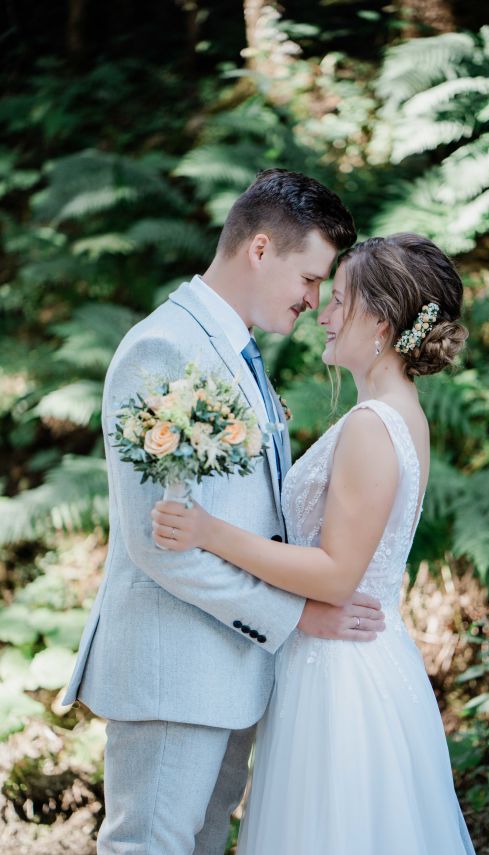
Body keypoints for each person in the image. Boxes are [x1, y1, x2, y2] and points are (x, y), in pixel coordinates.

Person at [62, 169, 386, 854]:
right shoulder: (165, 350)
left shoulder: (239, 351)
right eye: (310, 277)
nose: (315, 299)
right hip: (170, 672)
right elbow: (160, 545)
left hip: (232, 672)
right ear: (261, 249)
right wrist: (296, 613)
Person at [152, 233, 477, 854]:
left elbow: (335, 575)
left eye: (341, 301)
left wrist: (209, 532)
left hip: (341, 674)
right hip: (352, 656)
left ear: (380, 320)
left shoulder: (371, 426)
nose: (323, 314)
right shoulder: (399, 413)